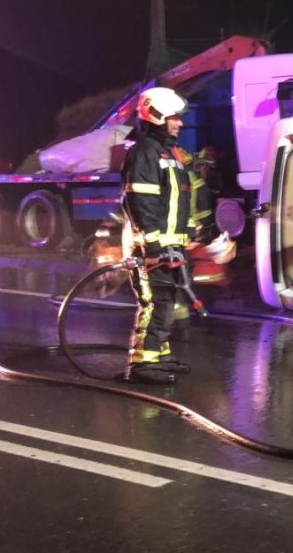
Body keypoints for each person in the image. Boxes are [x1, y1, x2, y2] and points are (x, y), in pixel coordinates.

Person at [121, 87, 196, 384]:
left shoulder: (167, 153)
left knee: (166, 301)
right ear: (157, 116)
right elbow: (141, 202)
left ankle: (158, 354)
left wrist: (188, 231)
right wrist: (151, 244)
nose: (180, 123)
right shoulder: (145, 152)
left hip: (170, 245)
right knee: (153, 302)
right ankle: (141, 364)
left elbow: (177, 199)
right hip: (152, 248)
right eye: (174, 117)